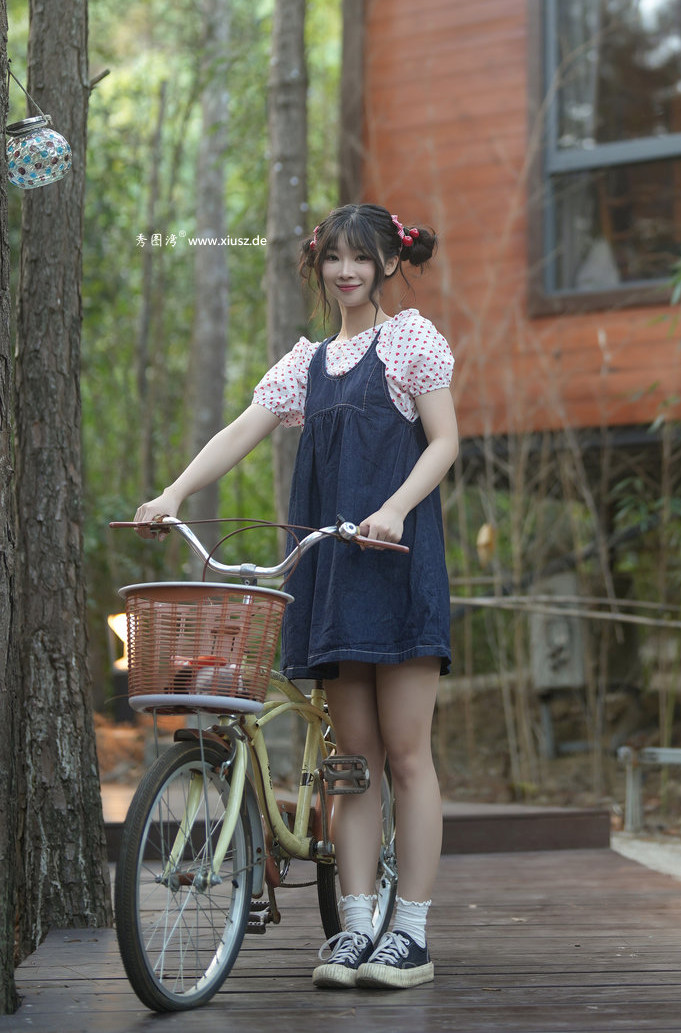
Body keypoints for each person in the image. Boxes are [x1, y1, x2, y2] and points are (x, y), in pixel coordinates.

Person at [134, 201, 458, 992]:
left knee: (406, 754)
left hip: (398, 566)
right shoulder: (306, 366)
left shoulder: (410, 341)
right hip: (332, 575)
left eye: (361, 257)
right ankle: (355, 926)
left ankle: (409, 934)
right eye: (333, 258)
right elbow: (239, 431)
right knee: (353, 761)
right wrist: (173, 493)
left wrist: (393, 509)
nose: (346, 271)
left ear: (388, 263)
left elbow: (446, 442)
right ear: (319, 266)